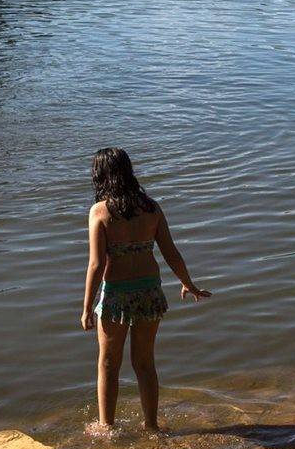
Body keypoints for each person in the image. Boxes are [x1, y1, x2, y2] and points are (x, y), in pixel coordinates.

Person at [81, 147, 211, 432]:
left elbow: (95, 263)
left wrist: (86, 307)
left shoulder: (100, 212)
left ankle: (106, 427)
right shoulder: (152, 208)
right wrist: (189, 284)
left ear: (100, 176)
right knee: (144, 364)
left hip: (116, 294)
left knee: (108, 365)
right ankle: (152, 426)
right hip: (150, 292)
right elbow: (171, 253)